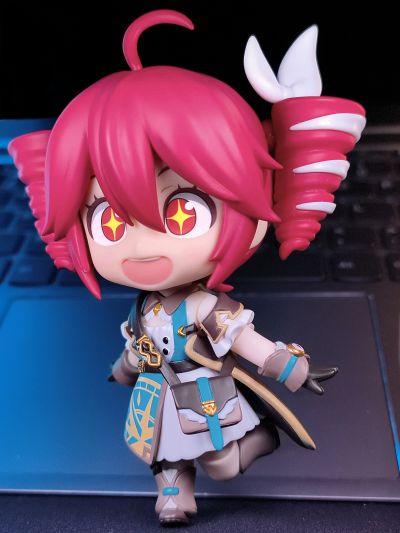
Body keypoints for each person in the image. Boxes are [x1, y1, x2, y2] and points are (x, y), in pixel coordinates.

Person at [7, 9, 366, 526]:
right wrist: (124, 367)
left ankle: (256, 439)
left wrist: (290, 367)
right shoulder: (143, 308)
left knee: (221, 463)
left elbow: (245, 341)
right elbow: (138, 344)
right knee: (164, 456)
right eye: (109, 220)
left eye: (184, 210)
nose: (142, 242)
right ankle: (173, 497)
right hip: (158, 397)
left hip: (206, 395)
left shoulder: (203, 306)